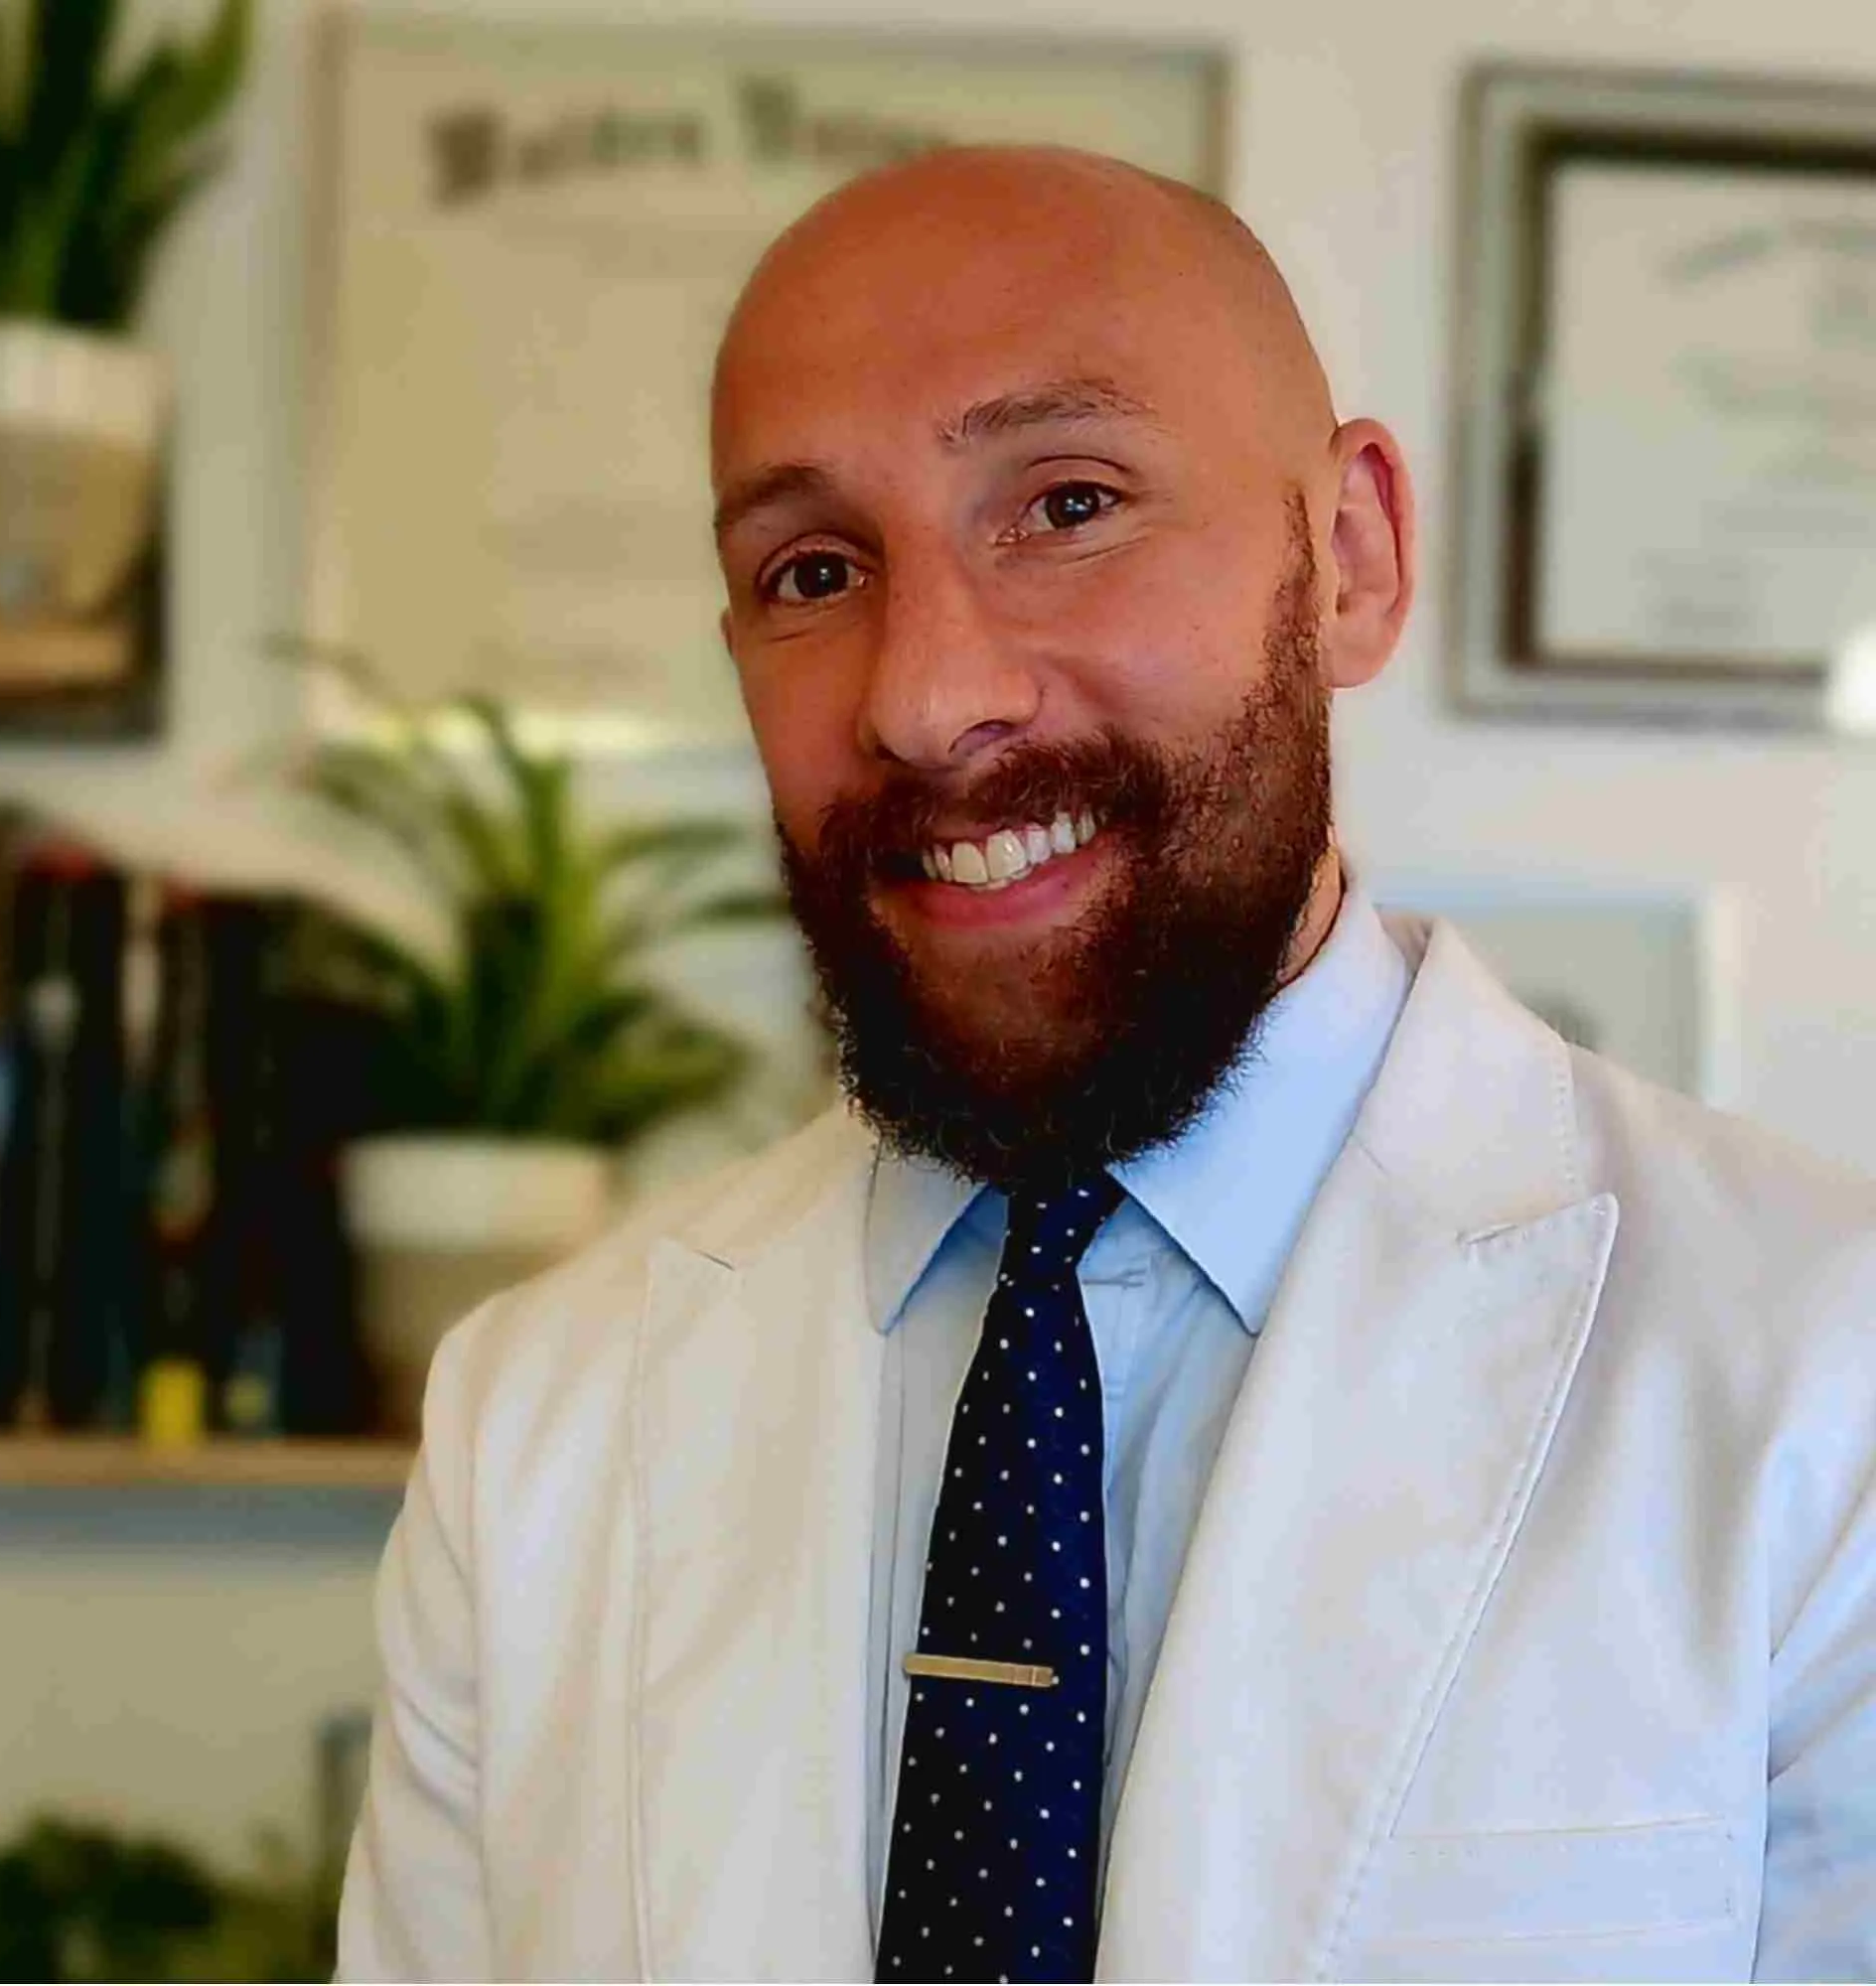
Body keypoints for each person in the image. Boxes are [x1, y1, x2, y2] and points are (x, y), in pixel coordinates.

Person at [337, 147, 1876, 1982]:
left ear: (1352, 558)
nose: (926, 698)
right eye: (814, 570)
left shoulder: (1820, 1377)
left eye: (1068, 505)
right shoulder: (535, 1423)